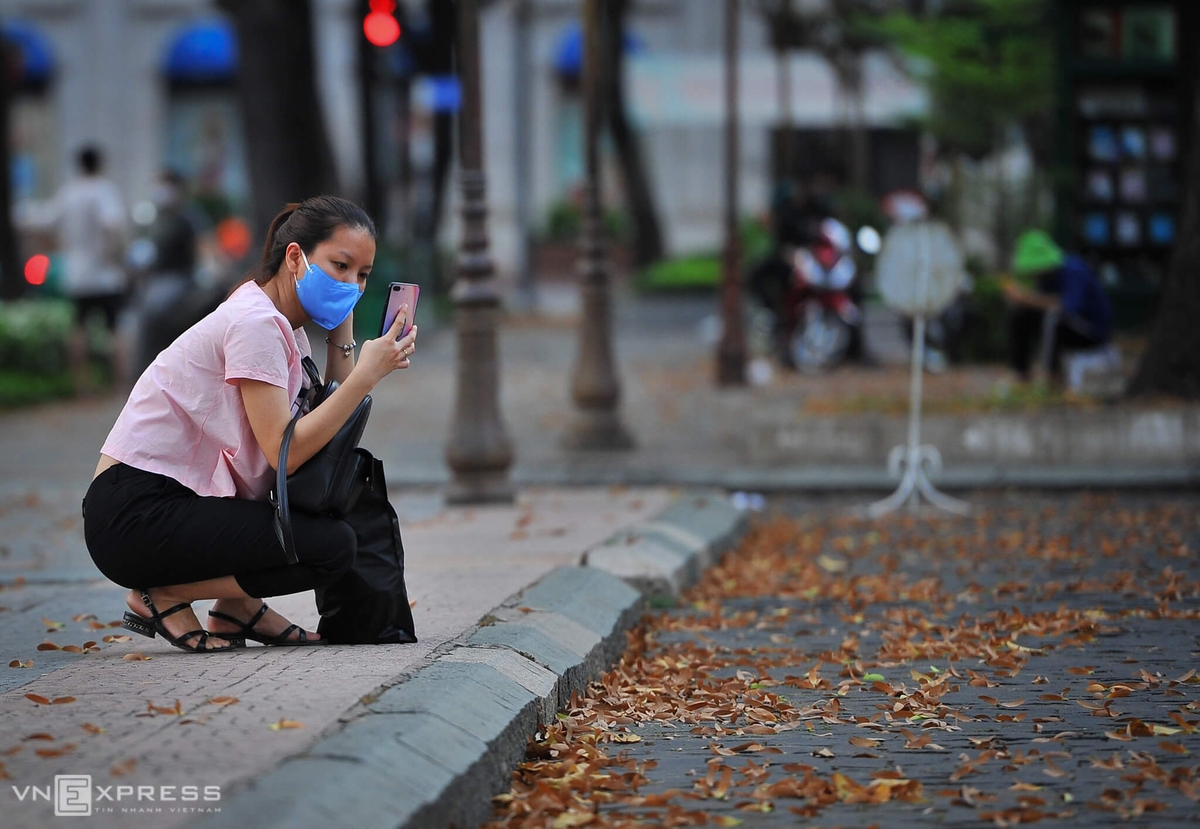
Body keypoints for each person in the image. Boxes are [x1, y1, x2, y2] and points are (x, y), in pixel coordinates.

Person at [82, 196, 419, 652]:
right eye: (340, 266)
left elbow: (329, 426)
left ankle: (235, 605)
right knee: (331, 545)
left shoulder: (282, 325)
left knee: (328, 533)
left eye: (362, 275)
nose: (352, 285)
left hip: (176, 502)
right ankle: (161, 595)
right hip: (135, 511)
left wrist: (344, 330)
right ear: (296, 257)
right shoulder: (256, 323)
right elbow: (289, 450)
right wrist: (366, 375)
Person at [51, 146, 130, 392]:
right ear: (100, 163)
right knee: (115, 328)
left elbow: (49, 222)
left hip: (76, 273)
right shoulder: (103, 190)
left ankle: (82, 385)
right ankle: (120, 384)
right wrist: (114, 255)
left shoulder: (67, 192)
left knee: (78, 330)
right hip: (104, 274)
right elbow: (112, 225)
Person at [1003, 230, 1113, 383]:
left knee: (1054, 317)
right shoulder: (1044, 278)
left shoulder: (1074, 270)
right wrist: (1024, 301)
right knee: (1021, 314)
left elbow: (1066, 306)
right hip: (1062, 327)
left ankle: (1050, 377)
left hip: (1090, 331)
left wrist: (1026, 298)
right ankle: (1021, 374)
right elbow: (1040, 303)